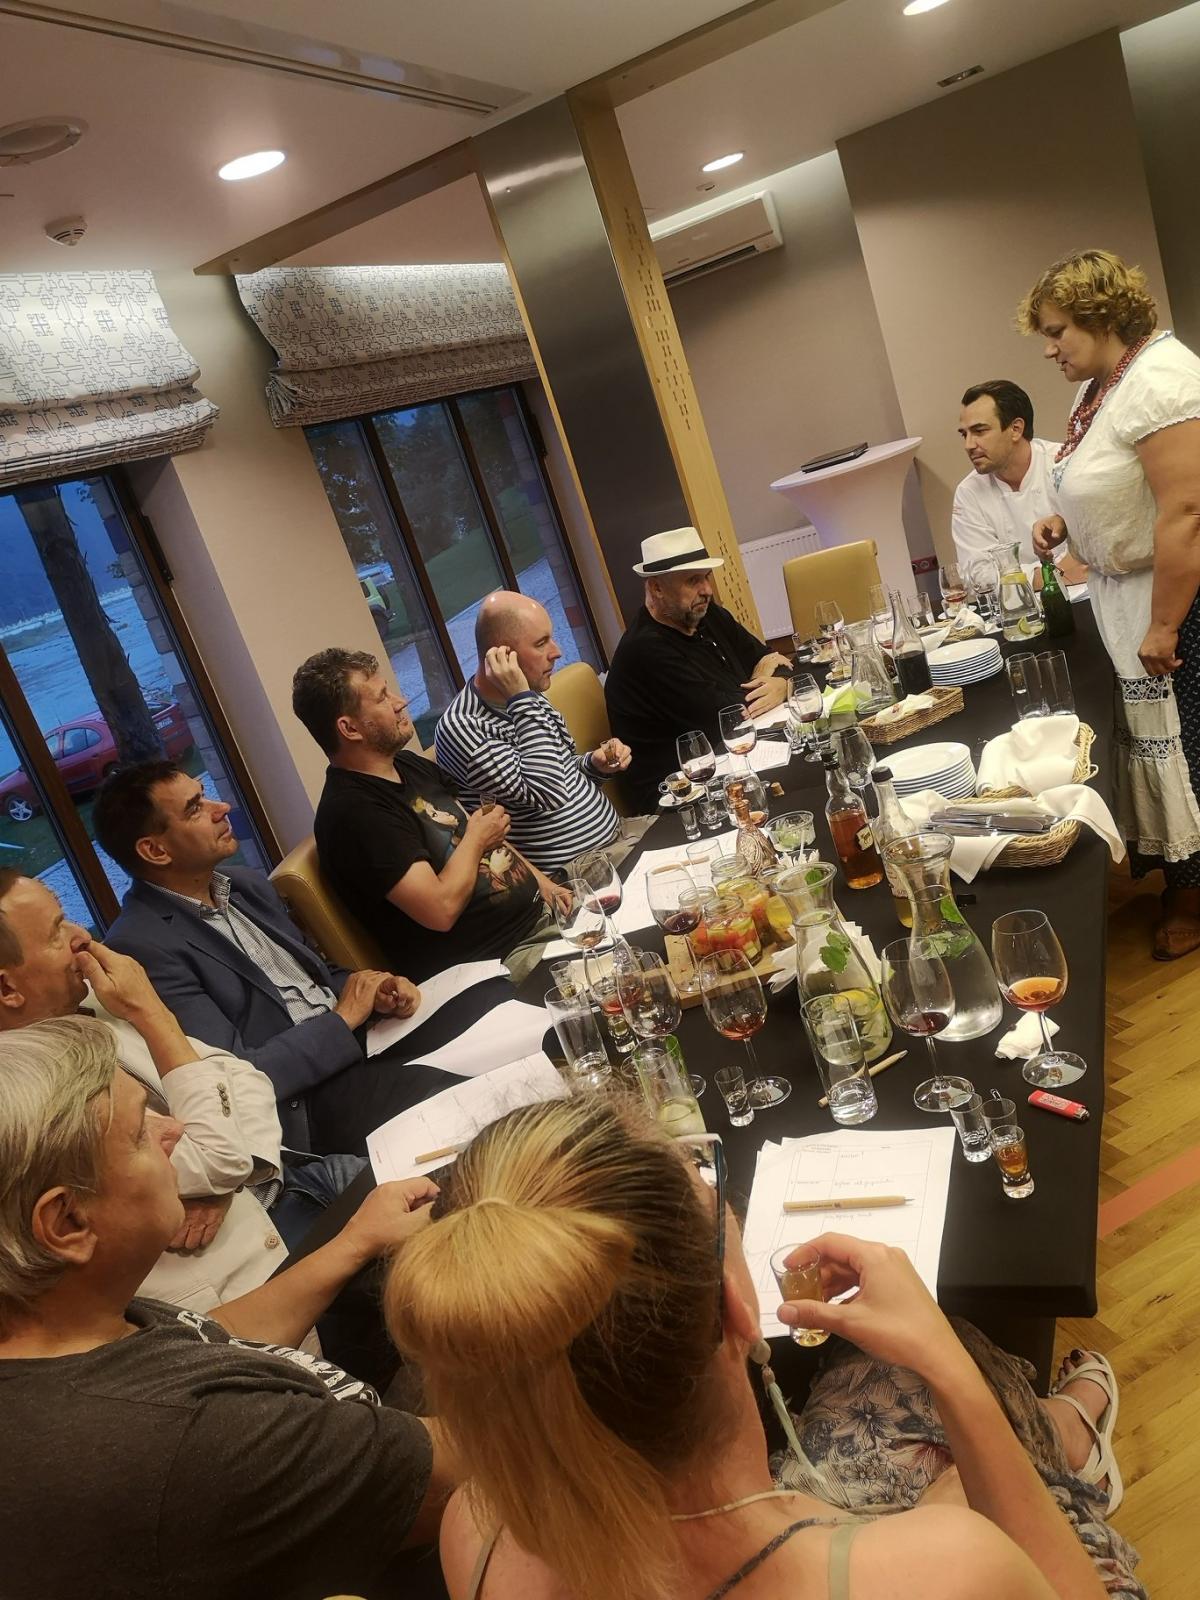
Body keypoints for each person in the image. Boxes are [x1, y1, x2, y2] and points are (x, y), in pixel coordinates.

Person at [385, 1096, 1144, 1600]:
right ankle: (1068, 1433)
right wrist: (948, 1365)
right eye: (710, 1192)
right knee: (985, 1451)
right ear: (736, 1304)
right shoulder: (948, 1567)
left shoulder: (476, 1531)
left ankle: (1065, 1429)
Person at [0, 1015, 453, 1600]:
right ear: (67, 1222)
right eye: (139, 1132)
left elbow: (208, 1338)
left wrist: (355, 1242)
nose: (173, 1128)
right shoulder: (191, 1438)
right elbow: (482, 1468)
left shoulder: (63, 1330)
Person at [96, 761, 456, 1155]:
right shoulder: (141, 947)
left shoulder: (246, 886)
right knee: (453, 1095)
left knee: (488, 1010)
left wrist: (375, 990)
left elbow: (318, 976)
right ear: (155, 850)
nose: (222, 808)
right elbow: (238, 1077)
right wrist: (343, 1020)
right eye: (195, 808)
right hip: (306, 1101)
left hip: (363, 1041)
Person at [1020, 248, 1200, 959]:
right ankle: (1182, 880)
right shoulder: (1101, 385)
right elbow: (1114, 484)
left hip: (1178, 597)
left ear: (1101, 317)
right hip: (1125, 592)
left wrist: (1165, 624)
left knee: (1188, 750)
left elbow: (1187, 511)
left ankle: (1193, 898)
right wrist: (1067, 523)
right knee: (1165, 746)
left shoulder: (1161, 379)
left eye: (1057, 330)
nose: (1049, 348)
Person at [294, 648, 570, 983]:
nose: (400, 702)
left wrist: (545, 886)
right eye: (382, 698)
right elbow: (441, 909)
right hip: (495, 965)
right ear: (350, 729)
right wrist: (477, 838)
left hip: (540, 920)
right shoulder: (353, 814)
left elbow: (485, 835)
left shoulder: (406, 764)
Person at [434, 590, 631, 873]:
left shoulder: (528, 696)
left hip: (618, 839)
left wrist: (593, 765)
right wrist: (520, 697)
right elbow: (547, 792)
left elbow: (559, 772)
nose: (556, 651)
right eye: (541, 643)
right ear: (501, 657)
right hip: (576, 873)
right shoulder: (463, 727)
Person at [604, 526, 793, 811]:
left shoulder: (705, 613)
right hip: (678, 795)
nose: (706, 590)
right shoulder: (645, 650)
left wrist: (782, 682)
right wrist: (769, 679)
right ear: (656, 588)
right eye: (693, 581)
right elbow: (727, 716)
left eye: (706, 577)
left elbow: (772, 657)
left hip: (724, 761)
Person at [952, 379, 1088, 585]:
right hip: (1020, 603)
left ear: (1016, 429)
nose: (968, 445)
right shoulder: (968, 493)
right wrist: (1049, 577)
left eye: (979, 431)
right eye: (964, 434)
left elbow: (1092, 549)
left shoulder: (1064, 464)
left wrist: (1015, 578)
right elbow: (979, 575)